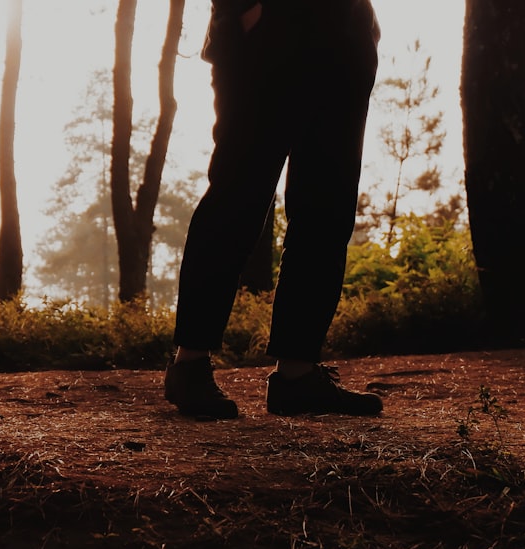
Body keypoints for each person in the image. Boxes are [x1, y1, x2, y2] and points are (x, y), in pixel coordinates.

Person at [164, 0, 383, 419]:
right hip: (267, 29)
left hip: (343, 34)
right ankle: (189, 364)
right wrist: (244, 9)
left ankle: (297, 375)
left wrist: (361, 25)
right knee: (237, 195)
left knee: (326, 208)